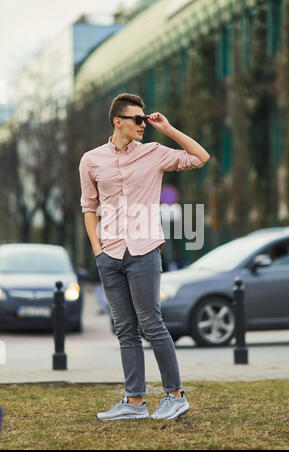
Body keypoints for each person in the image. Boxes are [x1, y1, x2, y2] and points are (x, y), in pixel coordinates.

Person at [79, 93, 210, 421]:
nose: (142, 124)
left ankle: (175, 395)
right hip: (109, 255)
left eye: (144, 119)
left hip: (144, 252)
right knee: (125, 329)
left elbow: (200, 157)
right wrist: (97, 248)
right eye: (137, 119)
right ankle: (135, 402)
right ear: (117, 121)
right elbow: (89, 206)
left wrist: (167, 129)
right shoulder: (91, 160)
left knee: (152, 323)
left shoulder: (154, 153)